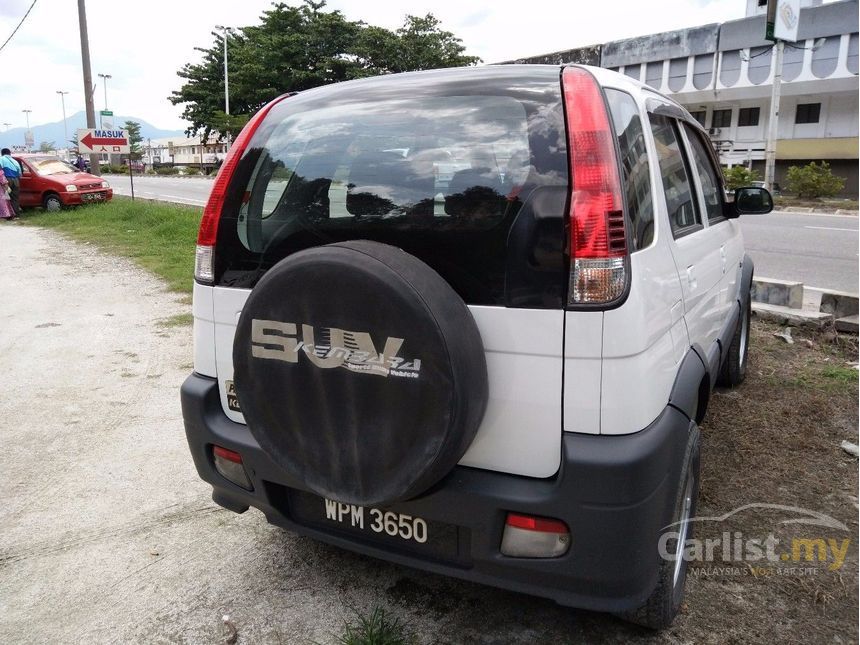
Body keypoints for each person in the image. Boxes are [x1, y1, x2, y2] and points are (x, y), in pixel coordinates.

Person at [0, 148, 22, 217]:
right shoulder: (15, 161)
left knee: (6, 198)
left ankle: (8, 215)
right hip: (16, 180)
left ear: (2, 153)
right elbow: (20, 173)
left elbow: (1, 171)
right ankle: (16, 214)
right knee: (15, 197)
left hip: (6, 180)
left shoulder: (1, 159)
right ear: (10, 153)